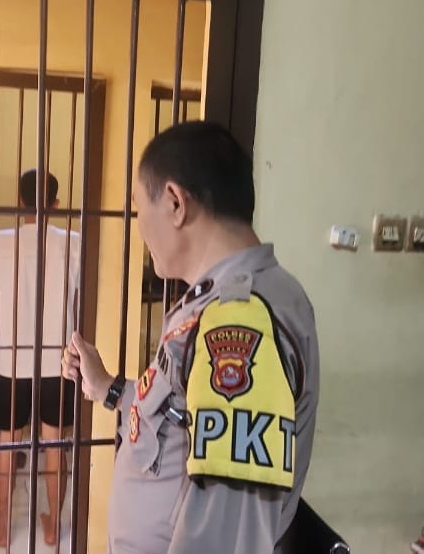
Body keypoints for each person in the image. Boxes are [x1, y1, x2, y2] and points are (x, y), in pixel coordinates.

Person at [62, 121, 320, 554]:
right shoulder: (216, 303)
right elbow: (179, 416)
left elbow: (226, 536)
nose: (139, 228)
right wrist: (107, 388)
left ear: (175, 202)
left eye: (138, 209)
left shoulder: (240, 323)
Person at [0, 169, 80, 548]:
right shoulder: (73, 242)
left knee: (7, 446)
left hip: (12, 362)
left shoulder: (1, 241)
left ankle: (3, 529)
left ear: (19, 200)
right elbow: (77, 304)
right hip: (59, 361)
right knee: (55, 445)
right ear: (55, 204)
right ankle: (54, 526)